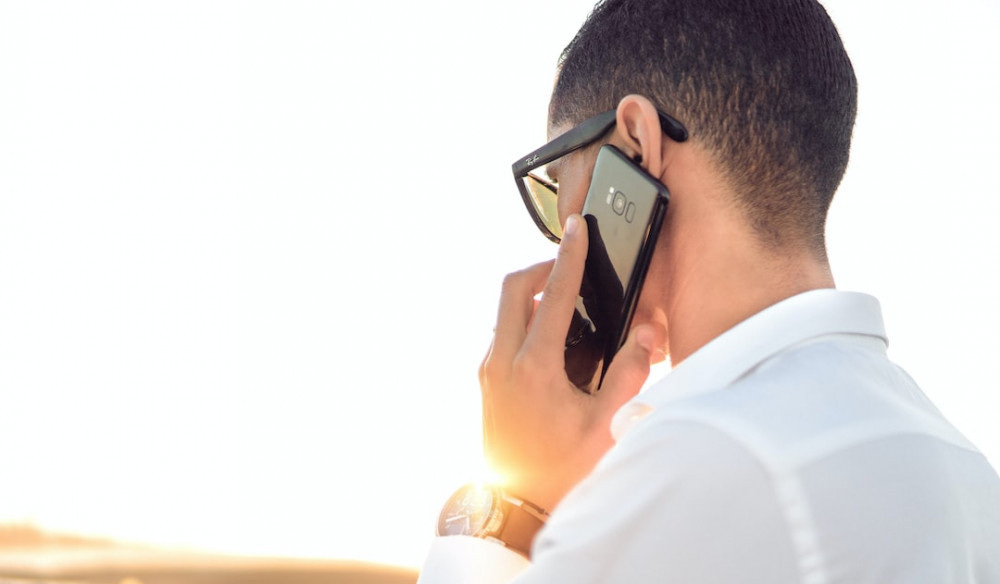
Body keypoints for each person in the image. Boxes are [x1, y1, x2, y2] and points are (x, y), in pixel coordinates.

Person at [419, 0, 1000, 582]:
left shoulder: (697, 465)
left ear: (638, 147)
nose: (558, 234)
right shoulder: (967, 471)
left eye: (558, 186)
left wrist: (514, 507)